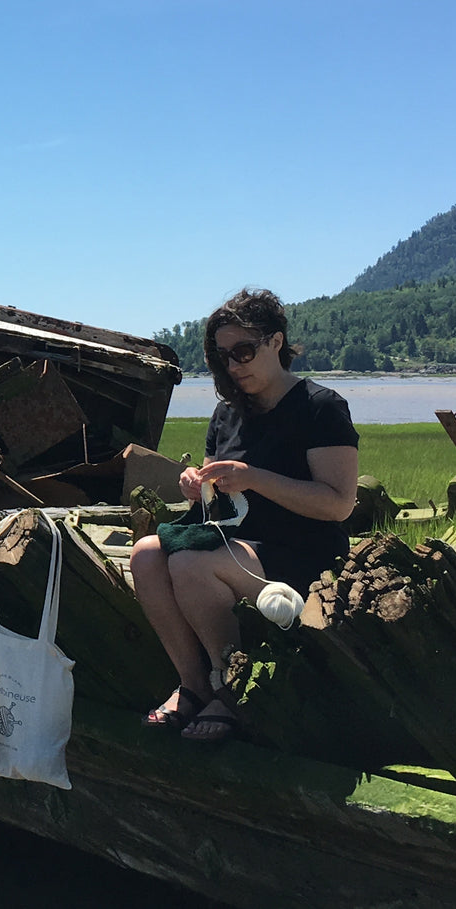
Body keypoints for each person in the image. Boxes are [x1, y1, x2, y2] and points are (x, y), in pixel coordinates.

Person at [129, 289, 359, 743]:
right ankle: (193, 686)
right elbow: (221, 498)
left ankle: (230, 690)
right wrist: (197, 487)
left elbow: (338, 504)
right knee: (145, 555)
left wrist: (252, 476)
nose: (234, 366)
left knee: (190, 563)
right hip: (237, 544)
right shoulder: (228, 413)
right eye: (224, 356)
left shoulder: (320, 407)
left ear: (277, 342)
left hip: (303, 554)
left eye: (244, 351)